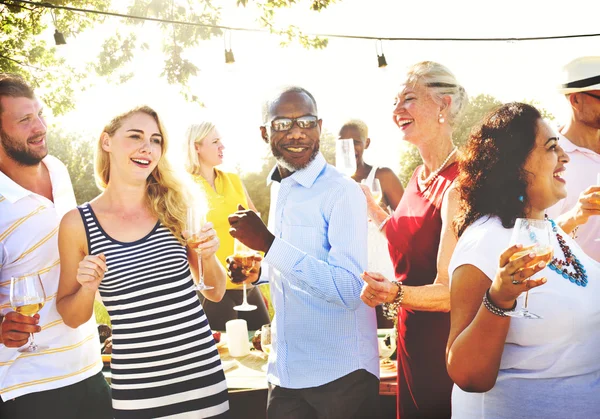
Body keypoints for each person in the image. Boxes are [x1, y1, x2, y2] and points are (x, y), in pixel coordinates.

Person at [55, 106, 230, 418]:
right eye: (135, 136)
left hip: (201, 375)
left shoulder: (177, 206)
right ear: (106, 141)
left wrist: (208, 255)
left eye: (155, 140)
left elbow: (216, 292)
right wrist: (87, 288)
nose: (146, 148)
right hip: (139, 388)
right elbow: (72, 316)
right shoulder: (77, 223)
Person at [227, 86, 380, 419]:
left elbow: (348, 289)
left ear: (320, 127)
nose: (297, 132)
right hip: (286, 373)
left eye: (307, 122)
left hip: (341, 378)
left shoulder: (342, 192)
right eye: (283, 124)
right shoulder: (279, 186)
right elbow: (295, 263)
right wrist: (259, 271)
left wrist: (267, 244)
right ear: (265, 132)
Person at [446, 102, 600, 418]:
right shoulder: (484, 241)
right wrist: (499, 300)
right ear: (515, 165)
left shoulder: (546, 230)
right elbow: (468, 375)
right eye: (551, 148)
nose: (566, 157)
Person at [360, 61, 468, 418]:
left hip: (445, 341)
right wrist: (370, 204)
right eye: (395, 102)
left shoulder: (464, 181)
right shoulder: (417, 177)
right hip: (409, 334)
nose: (397, 111)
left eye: (408, 99)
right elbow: (405, 239)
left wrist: (394, 293)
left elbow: (453, 290)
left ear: (443, 105)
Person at [0, 74, 111, 418]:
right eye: (24, 120)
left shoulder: (56, 169)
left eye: (39, 114)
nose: (40, 127)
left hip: (88, 364)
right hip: (31, 387)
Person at [184, 122, 270, 330]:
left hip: (245, 283)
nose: (222, 146)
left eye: (221, 141)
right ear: (196, 147)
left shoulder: (233, 180)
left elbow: (255, 220)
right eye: (215, 142)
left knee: (264, 344)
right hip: (212, 289)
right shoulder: (184, 186)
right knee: (225, 356)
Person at [338, 120, 403, 320]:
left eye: (356, 142)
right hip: (350, 282)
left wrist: (383, 214)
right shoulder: (334, 182)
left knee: (386, 342)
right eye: (343, 142)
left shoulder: (383, 176)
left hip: (383, 276)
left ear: (366, 143)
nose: (350, 148)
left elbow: (407, 226)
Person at [546, 56, 600, 261]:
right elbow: (534, 237)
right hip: (573, 288)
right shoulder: (545, 157)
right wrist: (576, 215)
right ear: (575, 100)